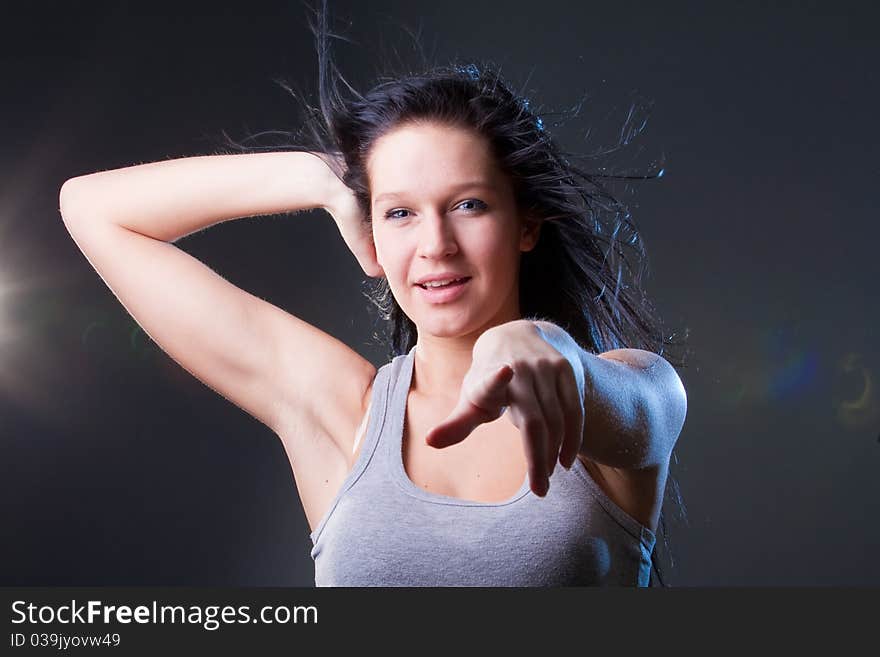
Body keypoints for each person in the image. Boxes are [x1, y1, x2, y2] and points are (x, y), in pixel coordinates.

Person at [58, 3, 687, 587]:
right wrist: (322, 175)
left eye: (468, 205)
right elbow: (92, 210)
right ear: (371, 237)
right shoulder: (345, 415)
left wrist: (552, 350)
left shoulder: (625, 393)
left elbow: (644, 407)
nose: (436, 244)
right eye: (400, 214)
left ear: (526, 224)